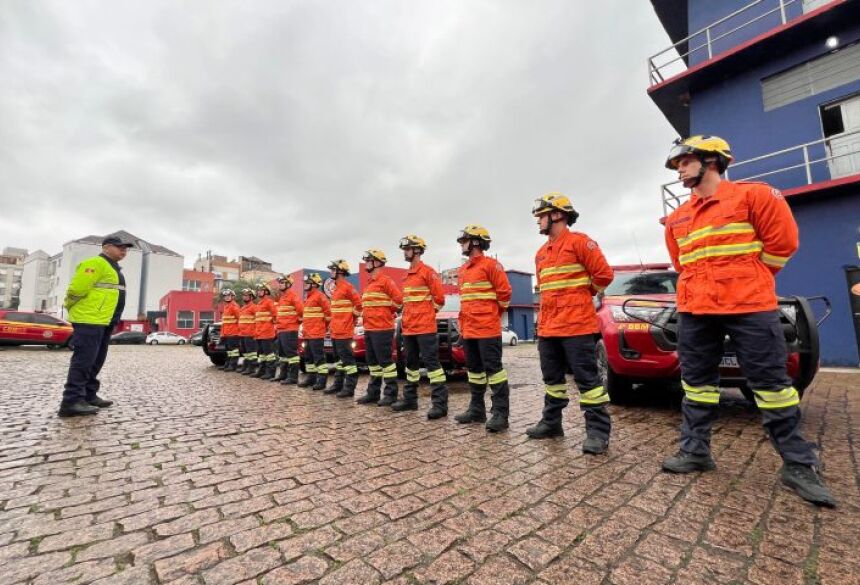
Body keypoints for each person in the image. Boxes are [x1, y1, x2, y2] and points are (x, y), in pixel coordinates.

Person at [661, 135, 836, 507]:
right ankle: (696, 451)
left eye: (685, 161)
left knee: (772, 384)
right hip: (695, 308)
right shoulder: (676, 218)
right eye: (677, 165)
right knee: (696, 384)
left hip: (749, 306)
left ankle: (798, 465)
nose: (679, 170)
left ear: (712, 161)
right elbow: (682, 263)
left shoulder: (754, 196)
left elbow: (782, 244)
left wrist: (747, 279)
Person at [527, 193, 614, 454]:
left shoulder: (580, 243)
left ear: (557, 215)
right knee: (552, 379)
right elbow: (546, 290)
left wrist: (585, 293)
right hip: (549, 327)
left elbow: (604, 275)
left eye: (541, 215)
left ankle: (598, 433)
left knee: (587, 381)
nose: (537, 221)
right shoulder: (541, 254)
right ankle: (552, 423)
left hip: (577, 326)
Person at [59, 235, 133, 417]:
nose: (123, 251)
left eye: (126, 248)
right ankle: (71, 402)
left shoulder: (115, 269)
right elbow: (76, 290)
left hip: (104, 321)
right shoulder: (95, 263)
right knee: (83, 361)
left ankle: (88, 395)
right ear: (106, 247)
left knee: (96, 361)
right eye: (119, 247)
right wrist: (71, 307)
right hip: (89, 320)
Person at [453, 225, 512, 432]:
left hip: (487, 330)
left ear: (476, 242)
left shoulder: (491, 266)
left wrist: (490, 317)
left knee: (494, 373)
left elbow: (504, 295)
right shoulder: (463, 271)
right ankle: (477, 410)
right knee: (475, 372)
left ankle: (500, 414)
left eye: (465, 241)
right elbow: (465, 302)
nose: (462, 245)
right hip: (469, 331)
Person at [395, 235, 449, 417]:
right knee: (410, 366)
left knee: (433, 366)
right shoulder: (407, 276)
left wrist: (426, 314)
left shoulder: (428, 272)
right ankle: (410, 401)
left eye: (407, 248)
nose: (405, 252)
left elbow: (440, 299)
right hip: (409, 328)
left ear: (417, 250)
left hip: (425, 328)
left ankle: (440, 405)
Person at [356, 249, 403, 406]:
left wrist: (384, 312)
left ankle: (390, 394)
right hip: (369, 328)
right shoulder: (370, 283)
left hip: (383, 328)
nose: (366, 263)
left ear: (377, 262)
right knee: (373, 363)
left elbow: (398, 302)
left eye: (369, 260)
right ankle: (373, 393)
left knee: (386, 363)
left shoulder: (386, 281)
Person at [325, 259, 363, 398]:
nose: (331, 272)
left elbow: (359, 305)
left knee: (348, 361)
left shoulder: (348, 287)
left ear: (340, 271)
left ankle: (349, 387)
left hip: (344, 331)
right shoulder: (335, 289)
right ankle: (338, 384)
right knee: (338, 361)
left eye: (333, 269)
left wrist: (350, 320)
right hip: (335, 331)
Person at [298, 273, 331, 391]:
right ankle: (310, 379)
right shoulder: (308, 297)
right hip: (308, 333)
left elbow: (329, 315)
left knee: (319, 358)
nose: (305, 285)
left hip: (316, 333)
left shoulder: (320, 297)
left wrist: (323, 327)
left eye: (308, 283)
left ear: (315, 284)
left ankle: (322, 381)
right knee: (309, 358)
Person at [274, 274, 304, 384]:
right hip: (281, 329)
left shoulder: (293, 296)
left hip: (290, 329)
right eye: (280, 282)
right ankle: (283, 374)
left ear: (288, 284)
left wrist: (296, 322)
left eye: (282, 282)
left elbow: (301, 311)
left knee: (291, 354)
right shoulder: (282, 297)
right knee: (282, 354)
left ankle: (293, 377)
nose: (280, 284)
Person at [252, 282, 278, 379]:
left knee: (269, 354)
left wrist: (270, 324)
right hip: (259, 333)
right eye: (258, 290)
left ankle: (271, 372)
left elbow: (275, 315)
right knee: (262, 354)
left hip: (267, 333)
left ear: (266, 291)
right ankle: (262, 371)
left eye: (261, 290)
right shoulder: (259, 303)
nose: (259, 292)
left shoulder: (269, 302)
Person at [236, 288, 258, 374]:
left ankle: (251, 368)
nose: (244, 297)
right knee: (245, 353)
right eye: (243, 295)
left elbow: (258, 320)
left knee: (251, 352)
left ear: (251, 297)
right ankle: (246, 366)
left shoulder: (254, 307)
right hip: (242, 334)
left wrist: (255, 332)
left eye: (246, 295)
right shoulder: (243, 308)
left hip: (250, 334)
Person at [219, 289, 241, 371]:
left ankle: (233, 366)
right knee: (228, 350)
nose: (226, 297)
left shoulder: (234, 306)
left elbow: (240, 319)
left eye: (228, 296)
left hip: (233, 333)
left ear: (232, 296)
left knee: (233, 350)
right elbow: (225, 322)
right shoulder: (226, 307)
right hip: (227, 333)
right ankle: (227, 364)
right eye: (225, 296)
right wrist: (222, 333)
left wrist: (239, 332)